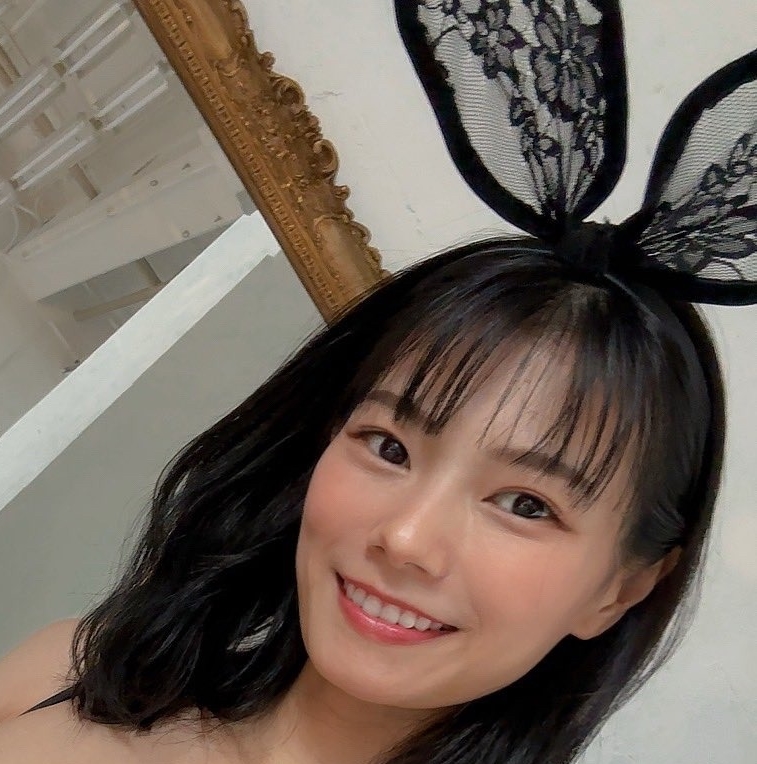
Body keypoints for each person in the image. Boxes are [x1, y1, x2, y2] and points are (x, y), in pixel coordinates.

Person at [0, 2, 754, 762]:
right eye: (389, 446)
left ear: (620, 590)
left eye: (526, 504)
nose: (405, 538)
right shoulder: (71, 672)